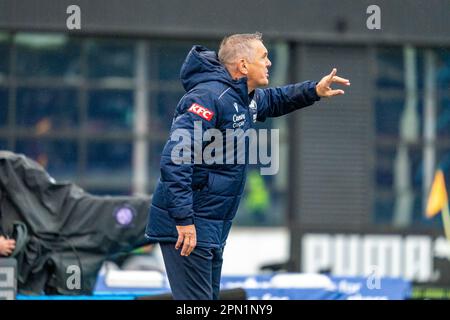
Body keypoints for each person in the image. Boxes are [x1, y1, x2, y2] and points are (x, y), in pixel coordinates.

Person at [145, 32, 350, 299]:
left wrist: (313, 91)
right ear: (243, 66)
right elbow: (177, 158)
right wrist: (183, 221)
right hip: (189, 226)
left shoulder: (243, 98)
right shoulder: (208, 97)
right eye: (263, 57)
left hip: (211, 225)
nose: (269, 63)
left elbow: (276, 99)